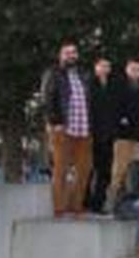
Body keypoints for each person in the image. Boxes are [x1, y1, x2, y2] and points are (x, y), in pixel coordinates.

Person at [42, 41, 93, 216]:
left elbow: (90, 101)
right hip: (63, 128)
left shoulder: (83, 75)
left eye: (74, 52)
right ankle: (59, 208)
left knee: (84, 169)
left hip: (84, 130)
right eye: (67, 53)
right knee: (61, 169)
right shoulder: (53, 73)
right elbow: (47, 99)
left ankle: (76, 205)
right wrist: (54, 122)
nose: (71, 55)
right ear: (61, 56)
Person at [108, 58, 139, 207]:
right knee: (119, 170)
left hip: (137, 136)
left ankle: (129, 202)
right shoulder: (119, 86)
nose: (136, 72)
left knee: (133, 171)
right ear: (127, 69)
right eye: (133, 69)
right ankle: (111, 202)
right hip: (122, 135)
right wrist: (121, 119)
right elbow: (114, 108)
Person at [88, 58, 116, 213]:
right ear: (96, 67)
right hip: (92, 134)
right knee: (89, 169)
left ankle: (98, 204)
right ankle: (85, 202)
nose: (105, 68)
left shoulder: (113, 86)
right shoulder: (89, 84)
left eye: (108, 66)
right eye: (102, 66)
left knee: (105, 171)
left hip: (109, 135)